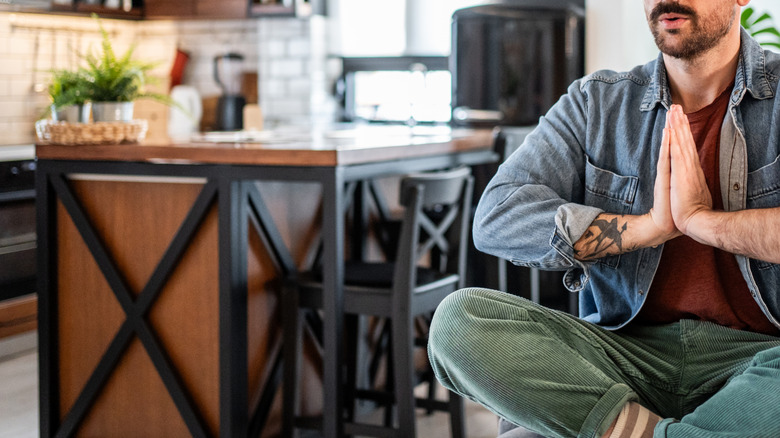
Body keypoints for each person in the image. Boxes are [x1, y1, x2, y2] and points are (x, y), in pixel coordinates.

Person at [427, 0, 780, 437]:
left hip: (761, 360)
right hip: (620, 357)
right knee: (459, 322)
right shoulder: (596, 102)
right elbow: (497, 214)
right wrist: (649, 228)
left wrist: (701, 222)